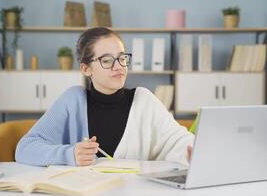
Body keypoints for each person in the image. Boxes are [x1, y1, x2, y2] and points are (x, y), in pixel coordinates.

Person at [15, 27, 194, 167]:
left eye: (122, 58)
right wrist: (70, 154)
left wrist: (195, 151)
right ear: (86, 69)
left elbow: (179, 140)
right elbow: (25, 149)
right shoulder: (72, 101)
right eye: (107, 60)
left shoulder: (144, 100)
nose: (119, 66)